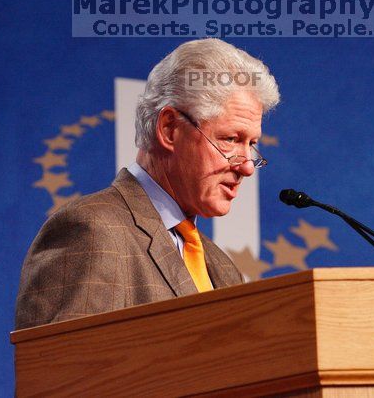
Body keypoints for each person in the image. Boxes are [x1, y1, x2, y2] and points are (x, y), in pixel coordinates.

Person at [14, 38, 280, 329]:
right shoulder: (94, 232)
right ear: (169, 129)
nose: (246, 167)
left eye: (251, 144)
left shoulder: (221, 266)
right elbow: (62, 370)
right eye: (230, 140)